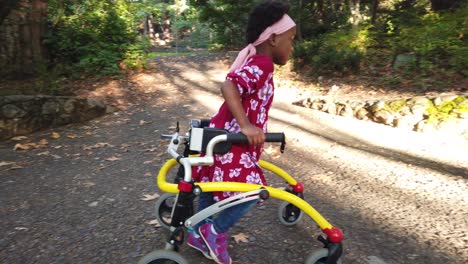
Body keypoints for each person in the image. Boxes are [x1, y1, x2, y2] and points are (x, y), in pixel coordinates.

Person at [187, 1, 296, 264]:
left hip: (222, 139)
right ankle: (213, 231)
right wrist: (246, 125)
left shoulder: (255, 61)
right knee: (252, 191)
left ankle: (198, 233)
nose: (292, 48)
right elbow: (229, 86)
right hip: (231, 142)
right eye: (290, 40)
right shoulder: (262, 64)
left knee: (212, 189)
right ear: (272, 39)